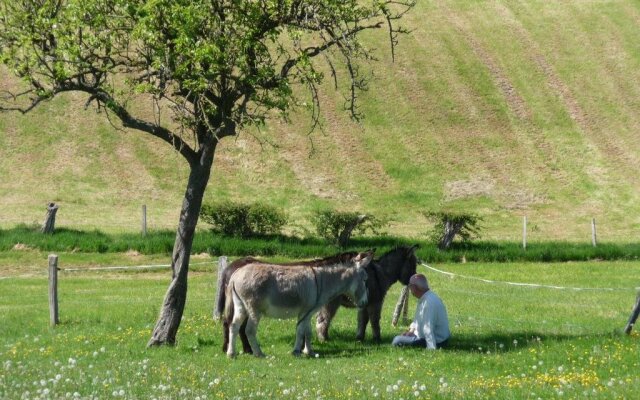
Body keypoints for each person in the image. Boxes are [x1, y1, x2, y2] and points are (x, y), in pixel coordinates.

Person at [392, 273, 450, 349]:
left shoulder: (428, 303)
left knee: (397, 340)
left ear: (415, 288)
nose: (410, 289)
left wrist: (431, 348)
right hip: (436, 337)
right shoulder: (426, 297)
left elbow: (428, 328)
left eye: (410, 286)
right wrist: (411, 331)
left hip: (438, 341)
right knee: (401, 337)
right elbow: (418, 319)